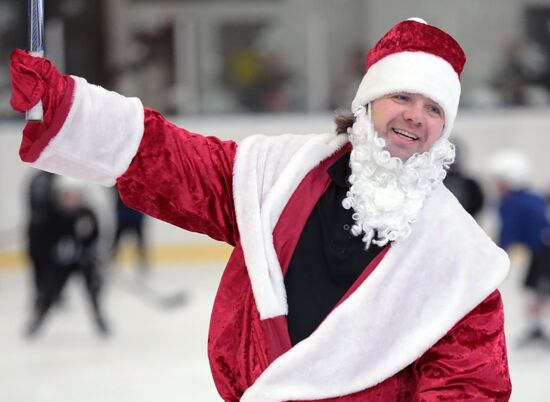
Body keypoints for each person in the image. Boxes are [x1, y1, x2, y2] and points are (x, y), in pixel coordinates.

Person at [10, 17, 511, 401]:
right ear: (369, 102)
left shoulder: (459, 257)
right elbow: (177, 162)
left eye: (434, 108)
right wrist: (62, 105)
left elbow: (469, 385)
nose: (414, 117)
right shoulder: (275, 172)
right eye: (402, 95)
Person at [25, 176, 109, 337]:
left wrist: (93, 254)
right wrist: (54, 253)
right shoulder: (51, 214)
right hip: (60, 263)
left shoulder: (87, 214)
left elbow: (95, 238)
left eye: (76, 195)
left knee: (93, 288)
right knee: (49, 291)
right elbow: (44, 241)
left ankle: (99, 318)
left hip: (83, 261)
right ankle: (37, 320)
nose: (71, 199)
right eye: (67, 195)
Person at [489, 150, 550, 346]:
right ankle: (535, 327)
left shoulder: (511, 203)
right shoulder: (532, 197)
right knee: (535, 290)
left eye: (501, 182)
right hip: (541, 250)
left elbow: (508, 232)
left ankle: (537, 328)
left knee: (538, 290)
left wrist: (497, 256)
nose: (498, 187)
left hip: (544, 252)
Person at [111, 187, 149, 273]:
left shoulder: (139, 185)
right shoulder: (119, 185)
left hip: (135, 216)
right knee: (116, 241)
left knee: (140, 241)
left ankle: (142, 261)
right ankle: (112, 261)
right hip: (123, 217)